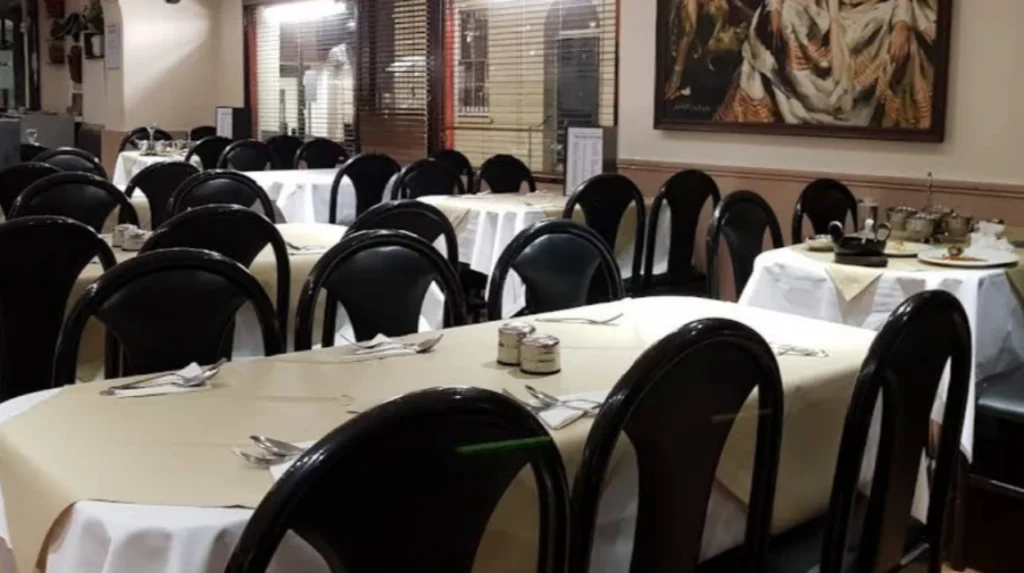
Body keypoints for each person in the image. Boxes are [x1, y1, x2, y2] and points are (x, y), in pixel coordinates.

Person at [714, 0, 937, 128]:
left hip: (864, 13)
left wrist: (901, 22)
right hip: (816, 11)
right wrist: (775, 8)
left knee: (898, 38)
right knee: (785, 18)